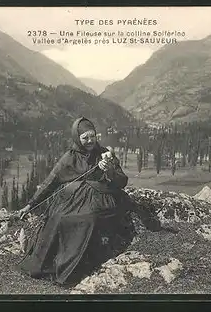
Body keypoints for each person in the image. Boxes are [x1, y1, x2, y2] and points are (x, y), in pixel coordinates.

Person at [15, 117, 142, 286]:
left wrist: (110, 170)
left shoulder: (105, 154)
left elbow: (122, 182)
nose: (90, 141)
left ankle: (72, 270)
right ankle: (51, 265)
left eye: (92, 136)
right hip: (74, 200)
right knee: (59, 218)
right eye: (85, 138)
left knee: (87, 219)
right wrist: (30, 204)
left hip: (102, 200)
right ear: (77, 138)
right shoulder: (69, 158)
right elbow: (50, 182)